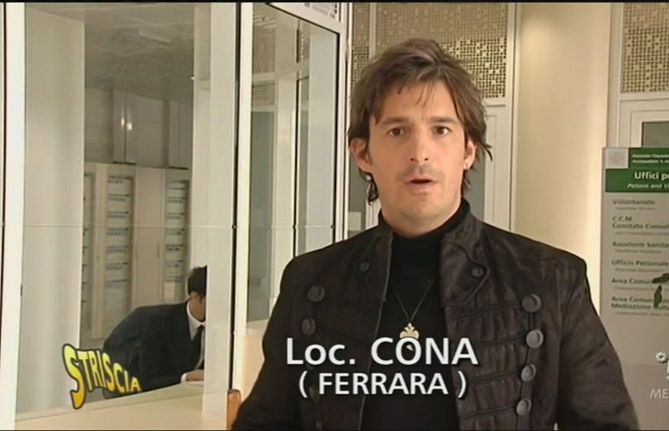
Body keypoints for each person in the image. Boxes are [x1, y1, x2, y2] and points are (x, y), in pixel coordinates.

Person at [233, 38, 638, 430]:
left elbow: (605, 424)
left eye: (441, 129)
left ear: (468, 150)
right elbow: (266, 421)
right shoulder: (312, 282)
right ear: (363, 153)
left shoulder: (550, 280)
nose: (420, 153)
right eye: (397, 131)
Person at [138, 266, 207, 391]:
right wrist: (186, 378)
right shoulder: (161, 322)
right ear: (196, 296)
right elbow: (148, 379)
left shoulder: (223, 326)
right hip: (164, 396)